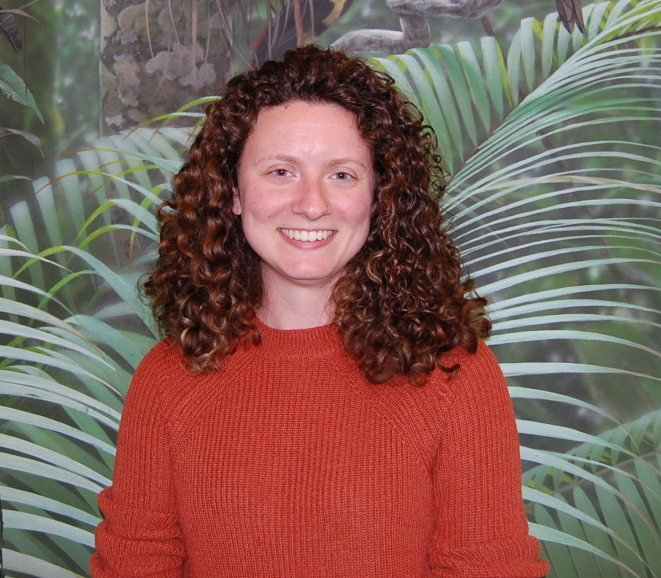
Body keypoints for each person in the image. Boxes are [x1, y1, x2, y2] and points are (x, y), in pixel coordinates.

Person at [91, 46, 549, 578]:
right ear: (234, 192)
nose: (311, 204)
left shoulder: (454, 378)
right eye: (281, 171)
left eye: (341, 175)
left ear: (379, 196)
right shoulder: (167, 380)